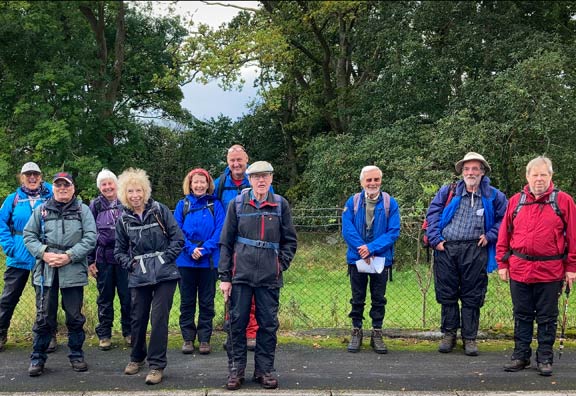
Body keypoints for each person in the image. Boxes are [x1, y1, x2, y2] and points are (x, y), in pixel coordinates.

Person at [219, 161, 297, 390]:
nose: (261, 181)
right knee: (236, 324)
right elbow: (226, 242)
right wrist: (225, 276)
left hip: (269, 277)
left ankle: (264, 370)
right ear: (249, 180)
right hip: (240, 276)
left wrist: (279, 264)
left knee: (268, 325)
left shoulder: (280, 205)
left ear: (271, 179)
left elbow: (290, 241)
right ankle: (236, 370)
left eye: (265, 176)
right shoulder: (237, 205)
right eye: (256, 177)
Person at [497, 156, 576, 376]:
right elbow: (505, 233)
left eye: (543, 174)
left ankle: (544, 358)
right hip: (520, 269)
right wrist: (502, 263)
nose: (539, 179)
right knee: (521, 314)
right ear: (527, 176)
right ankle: (520, 356)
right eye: (535, 174)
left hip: (550, 271)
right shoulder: (516, 201)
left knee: (547, 316)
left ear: (551, 176)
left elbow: (573, 236)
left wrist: (571, 267)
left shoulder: (563, 201)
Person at [426, 152, 507, 356]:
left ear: (482, 172)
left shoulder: (494, 195)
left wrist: (490, 235)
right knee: (448, 294)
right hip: (447, 248)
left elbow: (504, 219)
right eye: (467, 169)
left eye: (475, 169)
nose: (470, 173)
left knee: (472, 295)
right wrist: (435, 240)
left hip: (475, 248)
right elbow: (433, 214)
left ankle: (469, 338)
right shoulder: (448, 192)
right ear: (462, 172)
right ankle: (449, 335)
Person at [114, 168, 184, 385]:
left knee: (159, 318)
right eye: (130, 191)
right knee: (138, 317)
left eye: (138, 190)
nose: (135, 195)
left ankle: (156, 365)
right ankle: (137, 358)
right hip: (139, 274)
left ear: (145, 191)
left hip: (165, 274)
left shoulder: (159, 210)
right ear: (124, 195)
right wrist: (131, 264)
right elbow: (119, 251)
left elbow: (178, 239)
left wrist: (164, 259)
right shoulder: (123, 220)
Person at [23, 171, 97, 376]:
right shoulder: (41, 210)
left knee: (74, 317)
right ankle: (37, 357)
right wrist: (44, 254)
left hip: (72, 270)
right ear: (53, 188)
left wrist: (70, 256)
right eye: (58, 186)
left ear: (73, 188)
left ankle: (76, 354)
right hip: (46, 271)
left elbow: (91, 237)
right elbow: (29, 236)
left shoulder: (83, 211)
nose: (62, 189)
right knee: (44, 317)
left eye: (66, 185)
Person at [214, 144, 269, 351]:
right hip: (230, 247)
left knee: (253, 295)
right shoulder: (219, 184)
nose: (236, 164)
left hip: (256, 247)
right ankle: (233, 332)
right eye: (232, 161)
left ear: (247, 160)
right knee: (231, 293)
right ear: (228, 163)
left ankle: (252, 332)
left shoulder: (257, 179)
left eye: (240, 160)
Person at [341, 165, 401, 354]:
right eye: (369, 180)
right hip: (357, 259)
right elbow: (347, 229)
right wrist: (363, 250)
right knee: (357, 298)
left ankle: (377, 332)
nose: (373, 183)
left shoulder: (390, 203)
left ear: (381, 181)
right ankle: (356, 331)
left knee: (378, 298)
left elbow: (393, 232)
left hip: (380, 260)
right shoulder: (353, 202)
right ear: (362, 182)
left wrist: (372, 248)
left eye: (376, 179)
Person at [0, 162, 57, 353]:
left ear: (41, 176)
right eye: (28, 175)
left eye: (35, 174)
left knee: (45, 298)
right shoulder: (13, 199)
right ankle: (1, 332)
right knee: (9, 297)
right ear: (22, 177)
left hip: (43, 253)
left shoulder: (51, 194)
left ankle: (47, 336)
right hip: (19, 254)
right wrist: (9, 247)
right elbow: (2, 223)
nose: (32, 178)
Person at [174, 168, 225, 355]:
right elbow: (176, 230)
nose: (199, 185)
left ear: (208, 184)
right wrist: (190, 249)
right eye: (195, 181)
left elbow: (220, 229)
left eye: (202, 182)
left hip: (208, 261)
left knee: (206, 302)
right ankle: (188, 338)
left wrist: (205, 249)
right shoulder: (182, 205)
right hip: (185, 261)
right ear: (190, 184)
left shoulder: (215, 205)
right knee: (187, 302)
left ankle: (204, 338)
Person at [87, 169, 131, 351]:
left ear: (116, 184)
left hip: (124, 258)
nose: (107, 187)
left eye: (110, 183)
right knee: (105, 298)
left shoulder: (126, 202)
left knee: (127, 297)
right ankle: (104, 334)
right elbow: (89, 234)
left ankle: (129, 332)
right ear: (99, 187)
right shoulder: (95, 205)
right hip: (103, 258)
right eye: (103, 184)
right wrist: (90, 260)